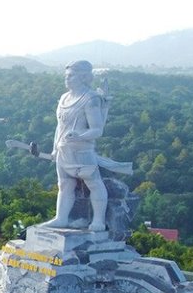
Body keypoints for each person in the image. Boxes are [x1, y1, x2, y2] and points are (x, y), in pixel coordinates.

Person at [21, 61, 132, 232]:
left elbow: (97, 130)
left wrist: (80, 136)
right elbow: (60, 126)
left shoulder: (91, 99)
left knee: (94, 183)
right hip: (63, 150)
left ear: (83, 77)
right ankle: (61, 218)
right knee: (64, 185)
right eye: (66, 75)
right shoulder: (65, 98)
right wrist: (55, 147)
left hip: (82, 151)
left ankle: (98, 221)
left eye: (71, 75)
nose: (67, 78)